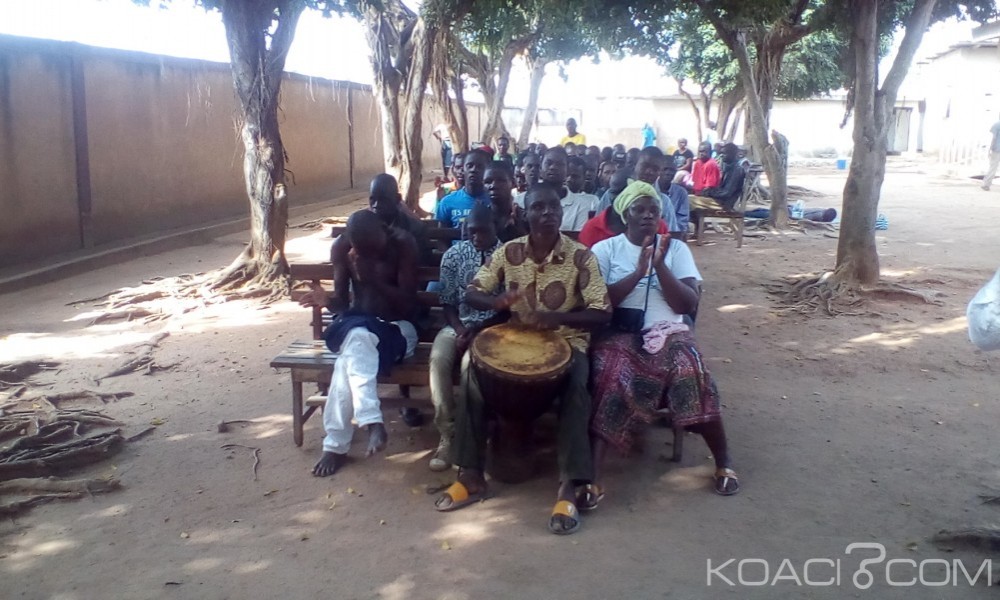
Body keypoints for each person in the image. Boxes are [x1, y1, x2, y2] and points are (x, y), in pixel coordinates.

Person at [433, 182, 612, 537]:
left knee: (578, 384)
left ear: (561, 212)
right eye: (538, 207)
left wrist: (557, 318)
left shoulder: (581, 257)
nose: (547, 213)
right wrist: (497, 302)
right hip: (513, 343)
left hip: (566, 344)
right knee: (470, 369)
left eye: (553, 208)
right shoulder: (507, 252)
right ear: (523, 212)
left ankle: (568, 488)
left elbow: (602, 312)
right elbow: (472, 293)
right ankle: (470, 475)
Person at [584, 191, 740, 509]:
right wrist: (638, 273)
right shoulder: (605, 249)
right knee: (610, 375)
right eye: (639, 210)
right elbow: (600, 302)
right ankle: (594, 479)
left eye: (653, 210)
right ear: (625, 215)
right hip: (619, 332)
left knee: (691, 368)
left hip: (668, 331)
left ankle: (724, 461)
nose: (647, 215)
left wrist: (660, 268)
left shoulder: (676, 249)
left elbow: (687, 303)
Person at [302, 210, 420, 477]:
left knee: (351, 353)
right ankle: (370, 420)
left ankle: (336, 445)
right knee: (357, 341)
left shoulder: (403, 244)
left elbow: (408, 304)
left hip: (398, 331)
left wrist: (373, 279)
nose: (369, 257)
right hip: (359, 328)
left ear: (384, 228)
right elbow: (343, 305)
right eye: (363, 252)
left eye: (374, 251)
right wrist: (327, 300)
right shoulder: (342, 248)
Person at [428, 204, 504, 471]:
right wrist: (460, 330)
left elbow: (507, 310)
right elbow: (448, 303)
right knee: (438, 359)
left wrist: (478, 330)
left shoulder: (507, 255)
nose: (476, 237)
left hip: (492, 331)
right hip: (458, 325)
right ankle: (447, 434)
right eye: (471, 232)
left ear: (496, 227)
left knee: (468, 367)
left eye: (483, 232)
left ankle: (471, 438)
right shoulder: (453, 255)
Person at [579, 180, 669, 249]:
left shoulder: (655, 224)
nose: (618, 197)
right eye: (614, 192)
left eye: (625, 192)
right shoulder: (593, 227)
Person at [435, 150, 490, 229]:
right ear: (463, 169)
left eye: (480, 166)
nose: (473, 170)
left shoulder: (494, 201)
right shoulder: (447, 202)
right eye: (469, 166)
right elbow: (440, 235)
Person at [632, 146, 680, 232]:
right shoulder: (617, 195)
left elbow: (671, 234)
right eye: (645, 166)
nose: (649, 172)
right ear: (635, 165)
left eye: (655, 169)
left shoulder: (664, 202)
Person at [692, 142, 746, 212]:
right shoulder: (728, 167)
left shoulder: (737, 170)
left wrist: (709, 193)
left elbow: (726, 193)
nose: (721, 155)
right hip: (720, 200)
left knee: (689, 201)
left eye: (724, 153)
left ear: (732, 154)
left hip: (724, 204)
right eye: (721, 153)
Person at [484, 161, 529, 241]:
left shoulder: (524, 217)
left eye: (501, 181)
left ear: (512, 183)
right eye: (488, 182)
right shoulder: (480, 218)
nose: (493, 185)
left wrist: (521, 231)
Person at [563, 156, 600, 231]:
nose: (569, 179)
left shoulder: (592, 201)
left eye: (574, 176)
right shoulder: (552, 198)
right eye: (567, 175)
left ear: (584, 178)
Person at [657, 163, 691, 234]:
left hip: (673, 233)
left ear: (675, 172)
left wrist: (676, 235)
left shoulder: (681, 193)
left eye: (672, 170)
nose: (668, 173)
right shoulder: (650, 189)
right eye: (665, 169)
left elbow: (683, 219)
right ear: (658, 171)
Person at [983, 115, 1000, 191]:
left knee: (993, 167)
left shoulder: (996, 124)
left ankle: (986, 184)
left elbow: (993, 138)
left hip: (997, 149)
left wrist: (989, 149)